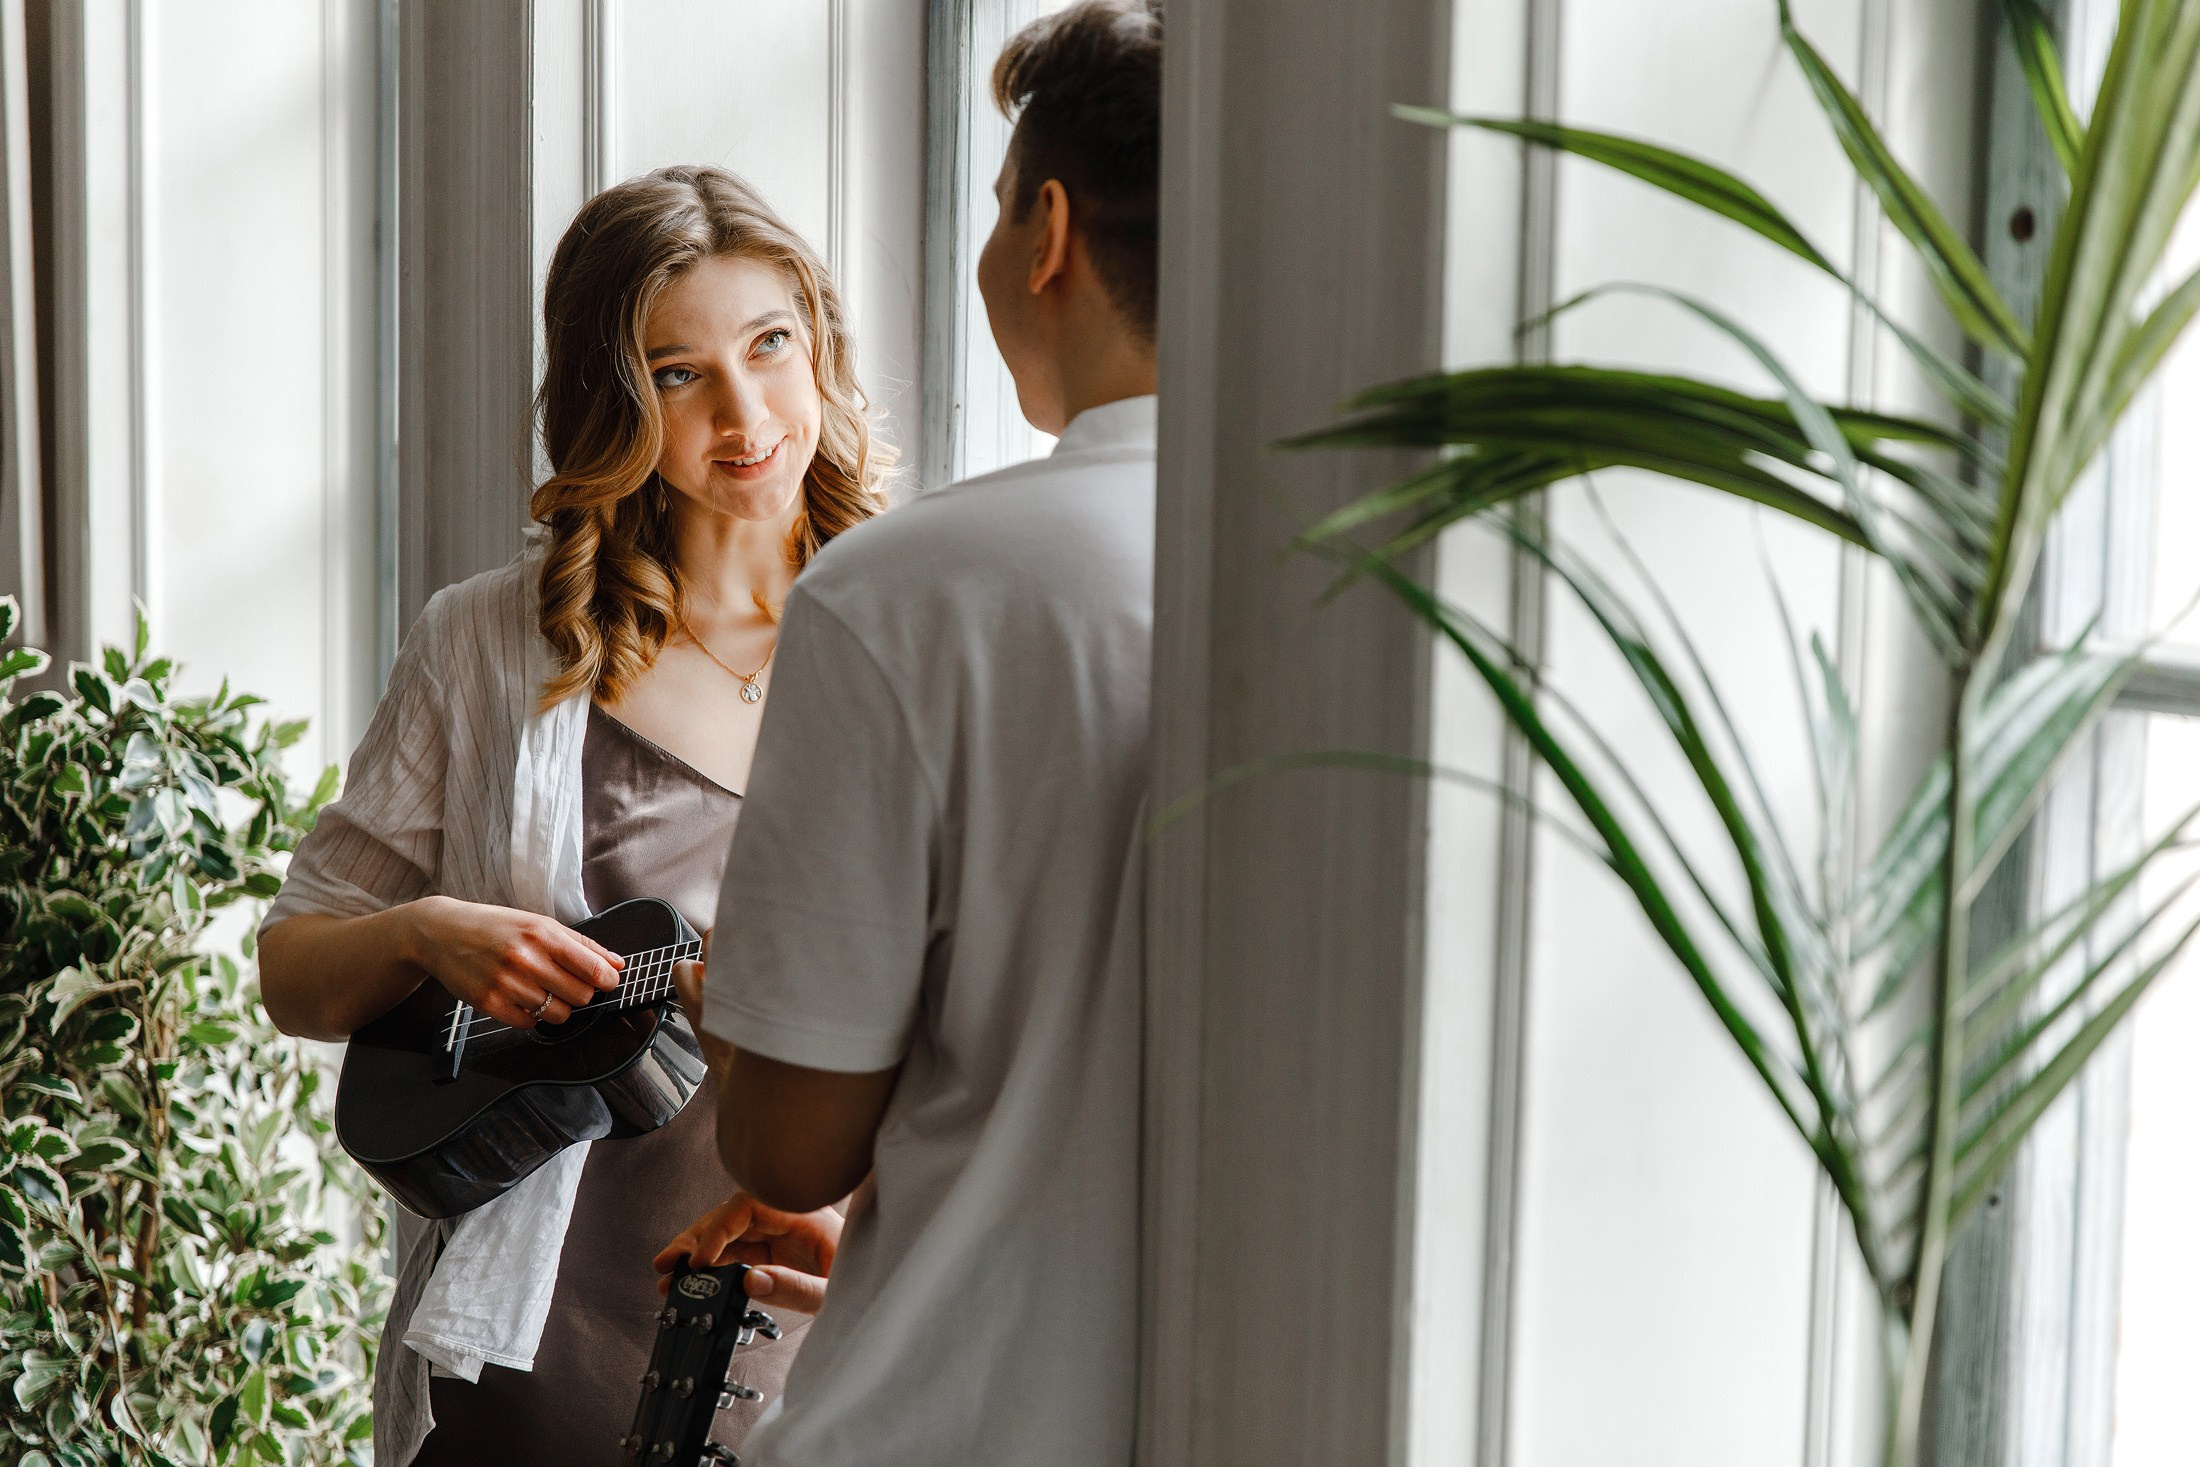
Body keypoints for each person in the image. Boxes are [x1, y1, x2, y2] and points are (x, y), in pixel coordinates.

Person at [256, 166, 890, 1467]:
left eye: (771, 345)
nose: (746, 412)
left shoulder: (917, 628)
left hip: (830, 1312)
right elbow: (294, 967)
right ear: (611, 399)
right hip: (541, 1341)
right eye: (676, 372)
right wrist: (427, 932)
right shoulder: (490, 644)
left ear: (818, 344)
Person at [656, 3, 1163, 1461]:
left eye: (998, 206)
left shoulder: (904, 594)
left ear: (1047, 230)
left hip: (950, 1413)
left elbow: (787, 1146)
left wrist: (728, 1008)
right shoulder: (1352, 568)